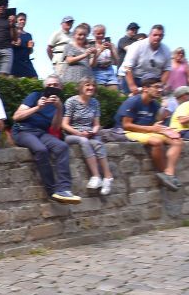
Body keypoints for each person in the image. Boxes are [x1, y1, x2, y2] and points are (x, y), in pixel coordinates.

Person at [11, 75, 81, 204]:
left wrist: (59, 108)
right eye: (49, 85)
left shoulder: (60, 105)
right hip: (23, 130)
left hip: (41, 133)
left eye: (55, 85)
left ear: (61, 87)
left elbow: (55, 127)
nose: (52, 88)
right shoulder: (35, 96)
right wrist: (38, 107)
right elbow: (16, 117)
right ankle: (52, 191)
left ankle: (64, 189)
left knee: (62, 147)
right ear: (45, 87)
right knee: (41, 150)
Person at [114, 73, 182, 190]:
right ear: (145, 88)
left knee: (177, 141)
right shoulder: (133, 101)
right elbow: (126, 125)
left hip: (146, 130)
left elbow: (156, 124)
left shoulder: (154, 104)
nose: (160, 90)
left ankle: (169, 173)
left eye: (160, 87)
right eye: (156, 87)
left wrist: (167, 130)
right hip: (126, 131)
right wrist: (152, 129)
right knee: (156, 142)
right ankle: (163, 173)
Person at [61, 78, 114, 195]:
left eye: (93, 85)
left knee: (98, 144)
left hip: (89, 134)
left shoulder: (95, 102)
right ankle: (96, 176)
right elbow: (64, 124)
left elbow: (96, 124)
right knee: (83, 141)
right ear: (81, 87)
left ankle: (107, 177)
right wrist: (79, 133)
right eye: (87, 85)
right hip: (71, 134)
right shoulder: (71, 101)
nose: (91, 88)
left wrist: (93, 131)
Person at [121, 24, 171, 95]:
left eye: (160, 35)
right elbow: (127, 67)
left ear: (163, 36)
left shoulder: (166, 50)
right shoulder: (137, 46)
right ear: (149, 35)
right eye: (155, 35)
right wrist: (132, 86)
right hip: (134, 78)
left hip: (153, 82)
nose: (157, 37)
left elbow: (167, 69)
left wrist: (160, 86)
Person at [116, 22, 145, 94]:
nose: (134, 31)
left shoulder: (136, 41)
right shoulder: (123, 40)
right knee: (125, 94)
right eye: (132, 29)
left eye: (136, 29)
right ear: (127, 30)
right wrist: (139, 44)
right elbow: (129, 49)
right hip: (123, 72)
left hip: (134, 73)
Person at [89, 24, 119, 90]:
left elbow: (116, 62)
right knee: (100, 92)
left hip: (109, 70)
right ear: (93, 34)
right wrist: (100, 50)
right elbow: (91, 64)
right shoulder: (91, 45)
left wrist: (111, 49)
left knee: (114, 92)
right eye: (98, 34)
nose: (101, 35)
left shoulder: (111, 45)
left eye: (103, 33)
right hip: (97, 71)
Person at [10, 12, 38, 79]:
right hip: (14, 60)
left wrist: (31, 47)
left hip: (25, 60)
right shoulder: (12, 32)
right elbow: (7, 43)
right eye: (21, 20)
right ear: (17, 20)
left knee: (34, 77)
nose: (23, 21)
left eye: (24, 20)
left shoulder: (28, 35)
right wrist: (14, 43)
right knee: (13, 80)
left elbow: (30, 52)